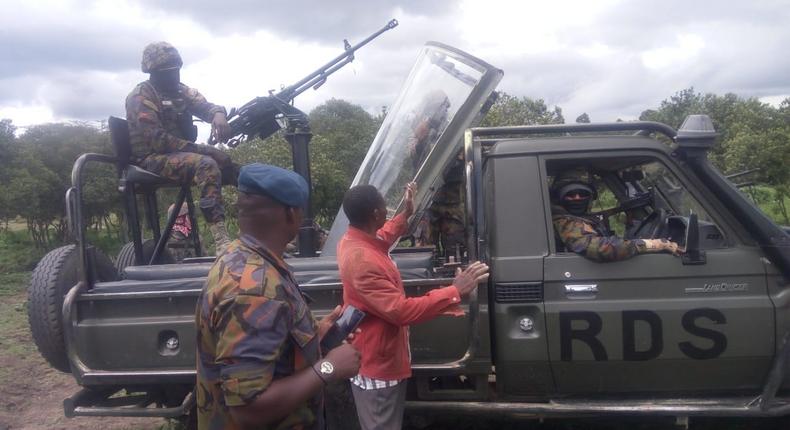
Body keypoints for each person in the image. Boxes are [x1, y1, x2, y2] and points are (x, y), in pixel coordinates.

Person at [196, 163, 361, 430]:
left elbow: (269, 349)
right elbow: (249, 409)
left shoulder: (238, 257)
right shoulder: (256, 289)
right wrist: (330, 368)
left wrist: (314, 338)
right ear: (291, 214)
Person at [337, 182, 489, 430]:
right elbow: (400, 311)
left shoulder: (356, 240)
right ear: (375, 214)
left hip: (380, 355)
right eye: (384, 206)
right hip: (378, 364)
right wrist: (455, 290)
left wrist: (406, 213)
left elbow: (383, 235)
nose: (386, 211)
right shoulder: (362, 260)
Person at [126, 41, 234, 254]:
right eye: (168, 72)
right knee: (207, 164)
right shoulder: (141, 97)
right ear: (153, 72)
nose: (174, 76)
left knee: (232, 167)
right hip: (150, 159)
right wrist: (203, 149)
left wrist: (218, 114)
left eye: (177, 70)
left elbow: (205, 106)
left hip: (178, 155)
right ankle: (222, 243)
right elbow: (158, 141)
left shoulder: (180, 91)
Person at [551, 167, 681, 262]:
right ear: (559, 197)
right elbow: (599, 248)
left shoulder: (581, 218)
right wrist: (649, 244)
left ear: (591, 197)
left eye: (583, 194)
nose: (577, 198)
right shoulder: (564, 222)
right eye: (570, 195)